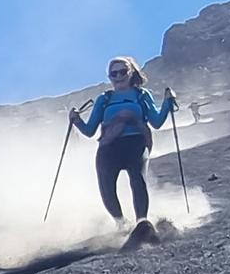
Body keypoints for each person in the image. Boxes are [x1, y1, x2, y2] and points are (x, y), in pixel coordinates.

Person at [71, 56, 176, 224]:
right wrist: (76, 120)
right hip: (109, 147)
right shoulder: (104, 99)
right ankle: (121, 223)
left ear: (131, 73)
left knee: (138, 180)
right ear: (109, 77)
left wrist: (167, 103)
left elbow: (156, 122)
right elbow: (90, 130)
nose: (118, 76)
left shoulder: (142, 95)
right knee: (106, 186)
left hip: (136, 143)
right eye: (113, 74)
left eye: (122, 72)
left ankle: (142, 221)